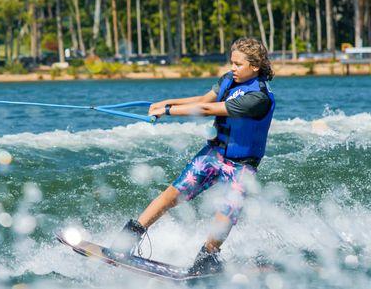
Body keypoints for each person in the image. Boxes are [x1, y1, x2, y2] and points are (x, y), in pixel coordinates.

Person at [111, 37, 275, 275]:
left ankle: (206, 259)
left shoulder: (258, 97)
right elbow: (202, 101)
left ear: (255, 66)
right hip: (214, 154)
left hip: (241, 166)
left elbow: (208, 110)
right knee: (172, 194)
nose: (233, 68)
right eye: (232, 62)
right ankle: (124, 243)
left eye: (238, 64)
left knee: (226, 213)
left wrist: (168, 111)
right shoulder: (229, 80)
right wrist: (167, 101)